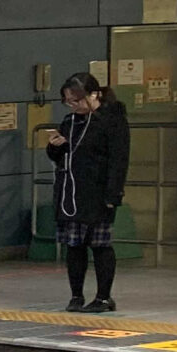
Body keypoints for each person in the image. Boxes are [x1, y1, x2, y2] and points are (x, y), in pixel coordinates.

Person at [44, 70, 131, 313]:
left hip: (98, 192)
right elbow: (61, 156)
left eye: (76, 100)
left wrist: (113, 194)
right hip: (72, 191)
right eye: (68, 101)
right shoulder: (70, 122)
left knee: (100, 244)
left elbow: (119, 159)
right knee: (74, 245)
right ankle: (76, 295)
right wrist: (55, 147)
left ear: (94, 95)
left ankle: (103, 297)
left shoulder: (112, 121)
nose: (73, 105)